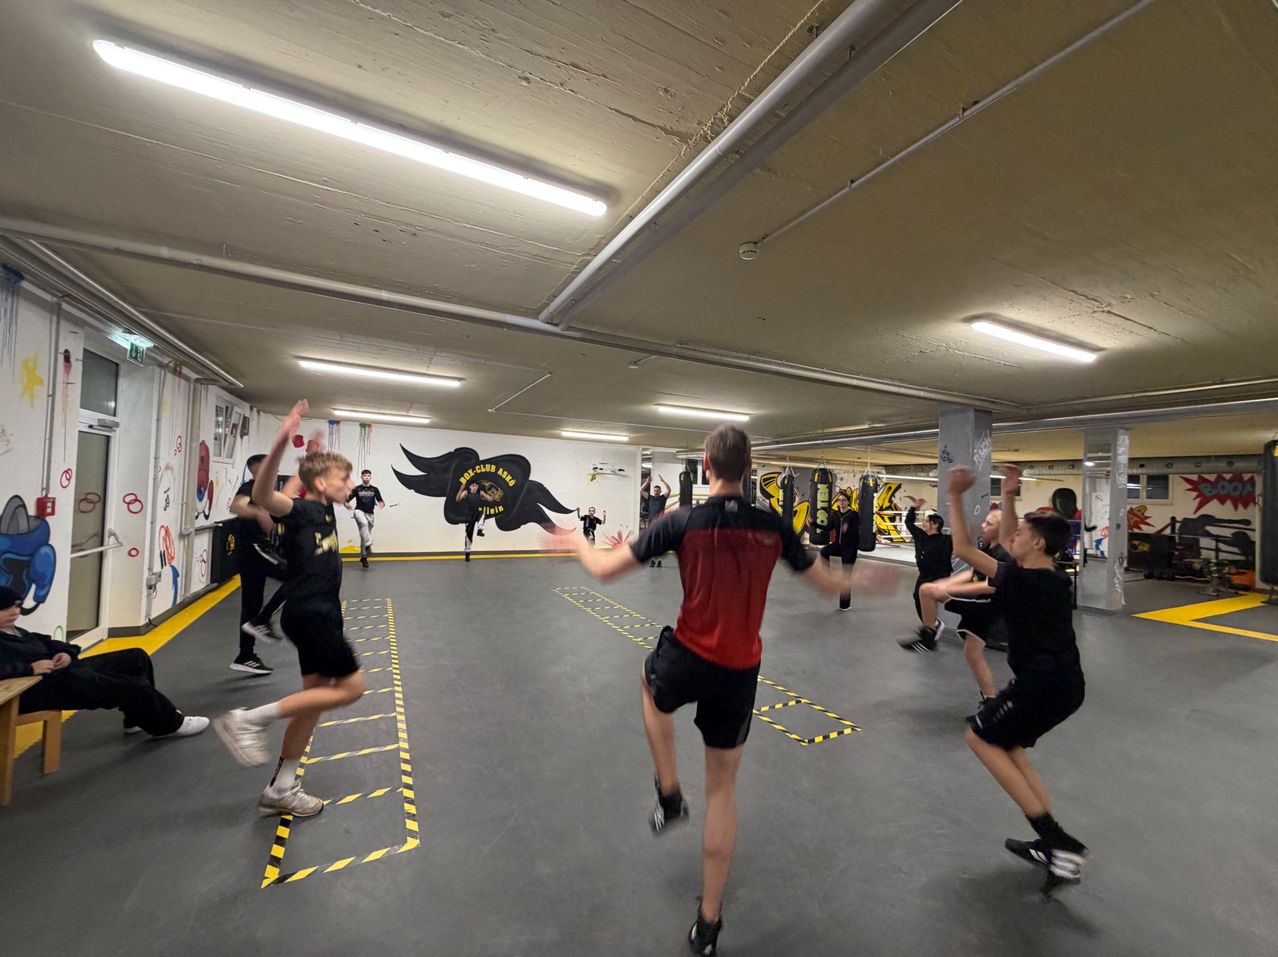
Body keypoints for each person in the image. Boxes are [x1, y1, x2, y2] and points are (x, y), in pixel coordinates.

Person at [555, 424, 846, 955]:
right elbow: (827, 585)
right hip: (740, 669)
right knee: (723, 795)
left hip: (688, 656)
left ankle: (669, 793)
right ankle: (709, 925)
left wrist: (576, 538)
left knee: (648, 683)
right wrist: (865, 582)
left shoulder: (681, 521)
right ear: (750, 469)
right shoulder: (773, 525)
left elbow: (601, 570)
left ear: (706, 467)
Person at [214, 400, 366, 818]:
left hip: (321, 612)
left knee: (313, 702)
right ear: (321, 483)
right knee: (353, 688)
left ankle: (282, 788)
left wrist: (312, 456)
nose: (351, 484)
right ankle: (250, 719)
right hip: (312, 614)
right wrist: (283, 439)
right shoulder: (299, 511)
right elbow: (265, 496)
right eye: (344, 477)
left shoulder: (323, 507)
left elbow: (302, 484)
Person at [946, 465, 1088, 892]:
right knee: (1011, 749)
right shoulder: (1049, 577)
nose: (1012, 538)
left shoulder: (1026, 582)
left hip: (1041, 684)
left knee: (979, 737)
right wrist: (1008, 496)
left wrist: (954, 496)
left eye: (1021, 533)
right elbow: (1011, 541)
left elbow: (964, 548)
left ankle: (1057, 840)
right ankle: (1051, 844)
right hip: (1065, 684)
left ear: (1038, 543)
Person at [0, 586, 207, 739]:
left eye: (17, 606)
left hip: (61, 671)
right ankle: (168, 725)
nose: (15, 612)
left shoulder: (14, 630)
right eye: (5, 609)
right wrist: (29, 669)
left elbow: (46, 641)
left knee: (135, 657)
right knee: (131, 686)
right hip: (38, 689)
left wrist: (66, 653)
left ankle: (136, 716)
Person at [900, 508, 1009, 701]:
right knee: (972, 653)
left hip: (984, 604)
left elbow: (990, 586)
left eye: (989, 524)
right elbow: (971, 574)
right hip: (980, 602)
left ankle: (929, 634)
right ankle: (990, 700)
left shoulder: (1004, 554)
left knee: (926, 591)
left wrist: (949, 591)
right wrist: (945, 584)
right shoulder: (986, 548)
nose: (983, 526)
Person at [228, 454, 278, 676]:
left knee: (251, 603)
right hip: (253, 549)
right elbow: (236, 506)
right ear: (257, 470)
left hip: (256, 551)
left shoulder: (267, 492)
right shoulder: (250, 489)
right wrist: (257, 512)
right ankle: (262, 621)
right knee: (299, 574)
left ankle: (245, 655)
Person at [902, 498, 952, 645]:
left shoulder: (946, 540)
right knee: (917, 596)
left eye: (926, 521)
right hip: (924, 574)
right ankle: (931, 625)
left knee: (933, 597)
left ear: (935, 524)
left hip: (940, 575)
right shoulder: (921, 536)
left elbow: (963, 548)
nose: (923, 523)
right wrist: (913, 508)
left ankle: (931, 627)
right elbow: (909, 523)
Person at [817, 492, 858, 610]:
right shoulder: (835, 514)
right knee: (824, 551)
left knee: (845, 577)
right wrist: (814, 524)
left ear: (848, 502)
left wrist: (848, 528)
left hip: (850, 549)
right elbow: (829, 527)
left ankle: (845, 605)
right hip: (838, 546)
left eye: (844, 500)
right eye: (839, 500)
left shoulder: (854, 515)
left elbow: (857, 532)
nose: (841, 502)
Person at [345, 469, 385, 568]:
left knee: (365, 535)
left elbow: (380, 500)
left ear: (370, 477)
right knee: (364, 524)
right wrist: (346, 504)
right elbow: (347, 499)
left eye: (368, 475)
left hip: (370, 514)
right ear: (361, 477)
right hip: (359, 511)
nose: (366, 477)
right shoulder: (357, 489)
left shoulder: (374, 489)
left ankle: (364, 557)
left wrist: (381, 503)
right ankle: (369, 543)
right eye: (365, 475)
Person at [456, 481, 495, 562]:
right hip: (469, 516)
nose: (474, 487)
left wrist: (493, 494)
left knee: (482, 513)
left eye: (476, 486)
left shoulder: (480, 493)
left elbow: (490, 499)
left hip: (477, 513)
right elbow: (458, 499)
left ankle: (480, 530)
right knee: (468, 536)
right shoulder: (466, 492)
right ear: (470, 487)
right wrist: (461, 489)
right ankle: (467, 554)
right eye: (473, 486)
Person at [641, 476, 670, 566]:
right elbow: (641, 491)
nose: (656, 492)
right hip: (651, 522)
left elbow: (669, 490)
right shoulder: (650, 498)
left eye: (657, 491)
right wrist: (647, 482)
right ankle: (653, 560)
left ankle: (659, 561)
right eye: (655, 491)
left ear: (660, 491)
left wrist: (663, 481)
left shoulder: (663, 498)